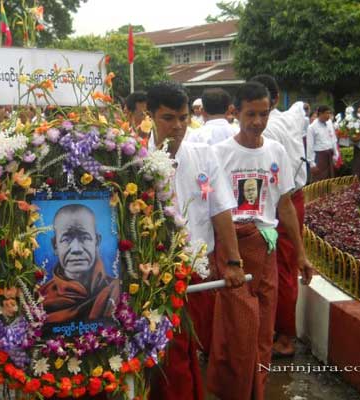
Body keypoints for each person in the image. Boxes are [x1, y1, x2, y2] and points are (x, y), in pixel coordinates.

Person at [209, 82, 313, 400]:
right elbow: (212, 208)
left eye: (263, 114)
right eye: (250, 114)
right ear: (235, 112)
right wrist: (228, 258)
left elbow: (284, 205)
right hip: (233, 250)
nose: (257, 121)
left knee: (264, 334)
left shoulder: (275, 151)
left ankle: (259, 392)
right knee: (240, 333)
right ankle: (234, 392)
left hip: (266, 248)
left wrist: (301, 255)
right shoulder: (219, 154)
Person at [146, 82, 245, 400]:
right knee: (167, 356)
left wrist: (232, 262)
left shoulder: (205, 155)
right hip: (150, 278)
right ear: (150, 116)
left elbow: (220, 211)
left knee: (188, 350)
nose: (177, 127)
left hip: (198, 273)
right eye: (168, 118)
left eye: (183, 118)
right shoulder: (130, 159)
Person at [251, 74, 308, 357]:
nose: (256, 120)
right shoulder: (291, 117)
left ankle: (284, 338)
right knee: (275, 268)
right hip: (293, 195)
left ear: (270, 101)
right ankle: (273, 330)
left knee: (282, 270)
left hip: (280, 200)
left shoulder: (268, 130)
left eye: (260, 110)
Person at [40, 204, 119, 323]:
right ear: (55, 246)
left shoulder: (116, 291)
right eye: (66, 239)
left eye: (84, 238)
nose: (76, 249)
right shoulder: (41, 297)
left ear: (96, 242)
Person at [307, 105, 338, 181]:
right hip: (319, 157)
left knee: (330, 180)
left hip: (329, 155)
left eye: (329, 113)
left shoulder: (330, 123)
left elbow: (333, 139)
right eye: (327, 113)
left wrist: (336, 154)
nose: (329, 116)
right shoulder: (312, 127)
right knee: (319, 181)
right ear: (320, 114)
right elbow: (309, 146)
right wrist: (311, 163)